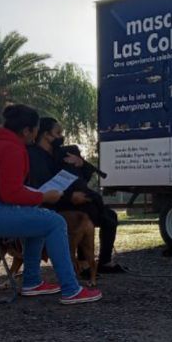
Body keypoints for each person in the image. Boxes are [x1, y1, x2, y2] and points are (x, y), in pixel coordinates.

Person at [0, 104, 102, 305]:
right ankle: (71, 289)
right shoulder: (12, 148)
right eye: (36, 129)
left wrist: (35, 200)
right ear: (26, 131)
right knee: (55, 222)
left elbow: (4, 190)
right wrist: (44, 197)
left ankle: (31, 282)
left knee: (38, 219)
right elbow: (11, 193)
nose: (37, 134)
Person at [28, 117, 123, 275]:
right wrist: (69, 197)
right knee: (88, 212)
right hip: (53, 203)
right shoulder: (34, 156)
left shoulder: (62, 152)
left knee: (110, 216)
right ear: (45, 134)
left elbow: (80, 178)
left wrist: (80, 163)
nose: (61, 136)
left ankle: (104, 261)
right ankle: (83, 263)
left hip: (76, 198)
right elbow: (39, 187)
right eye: (57, 133)